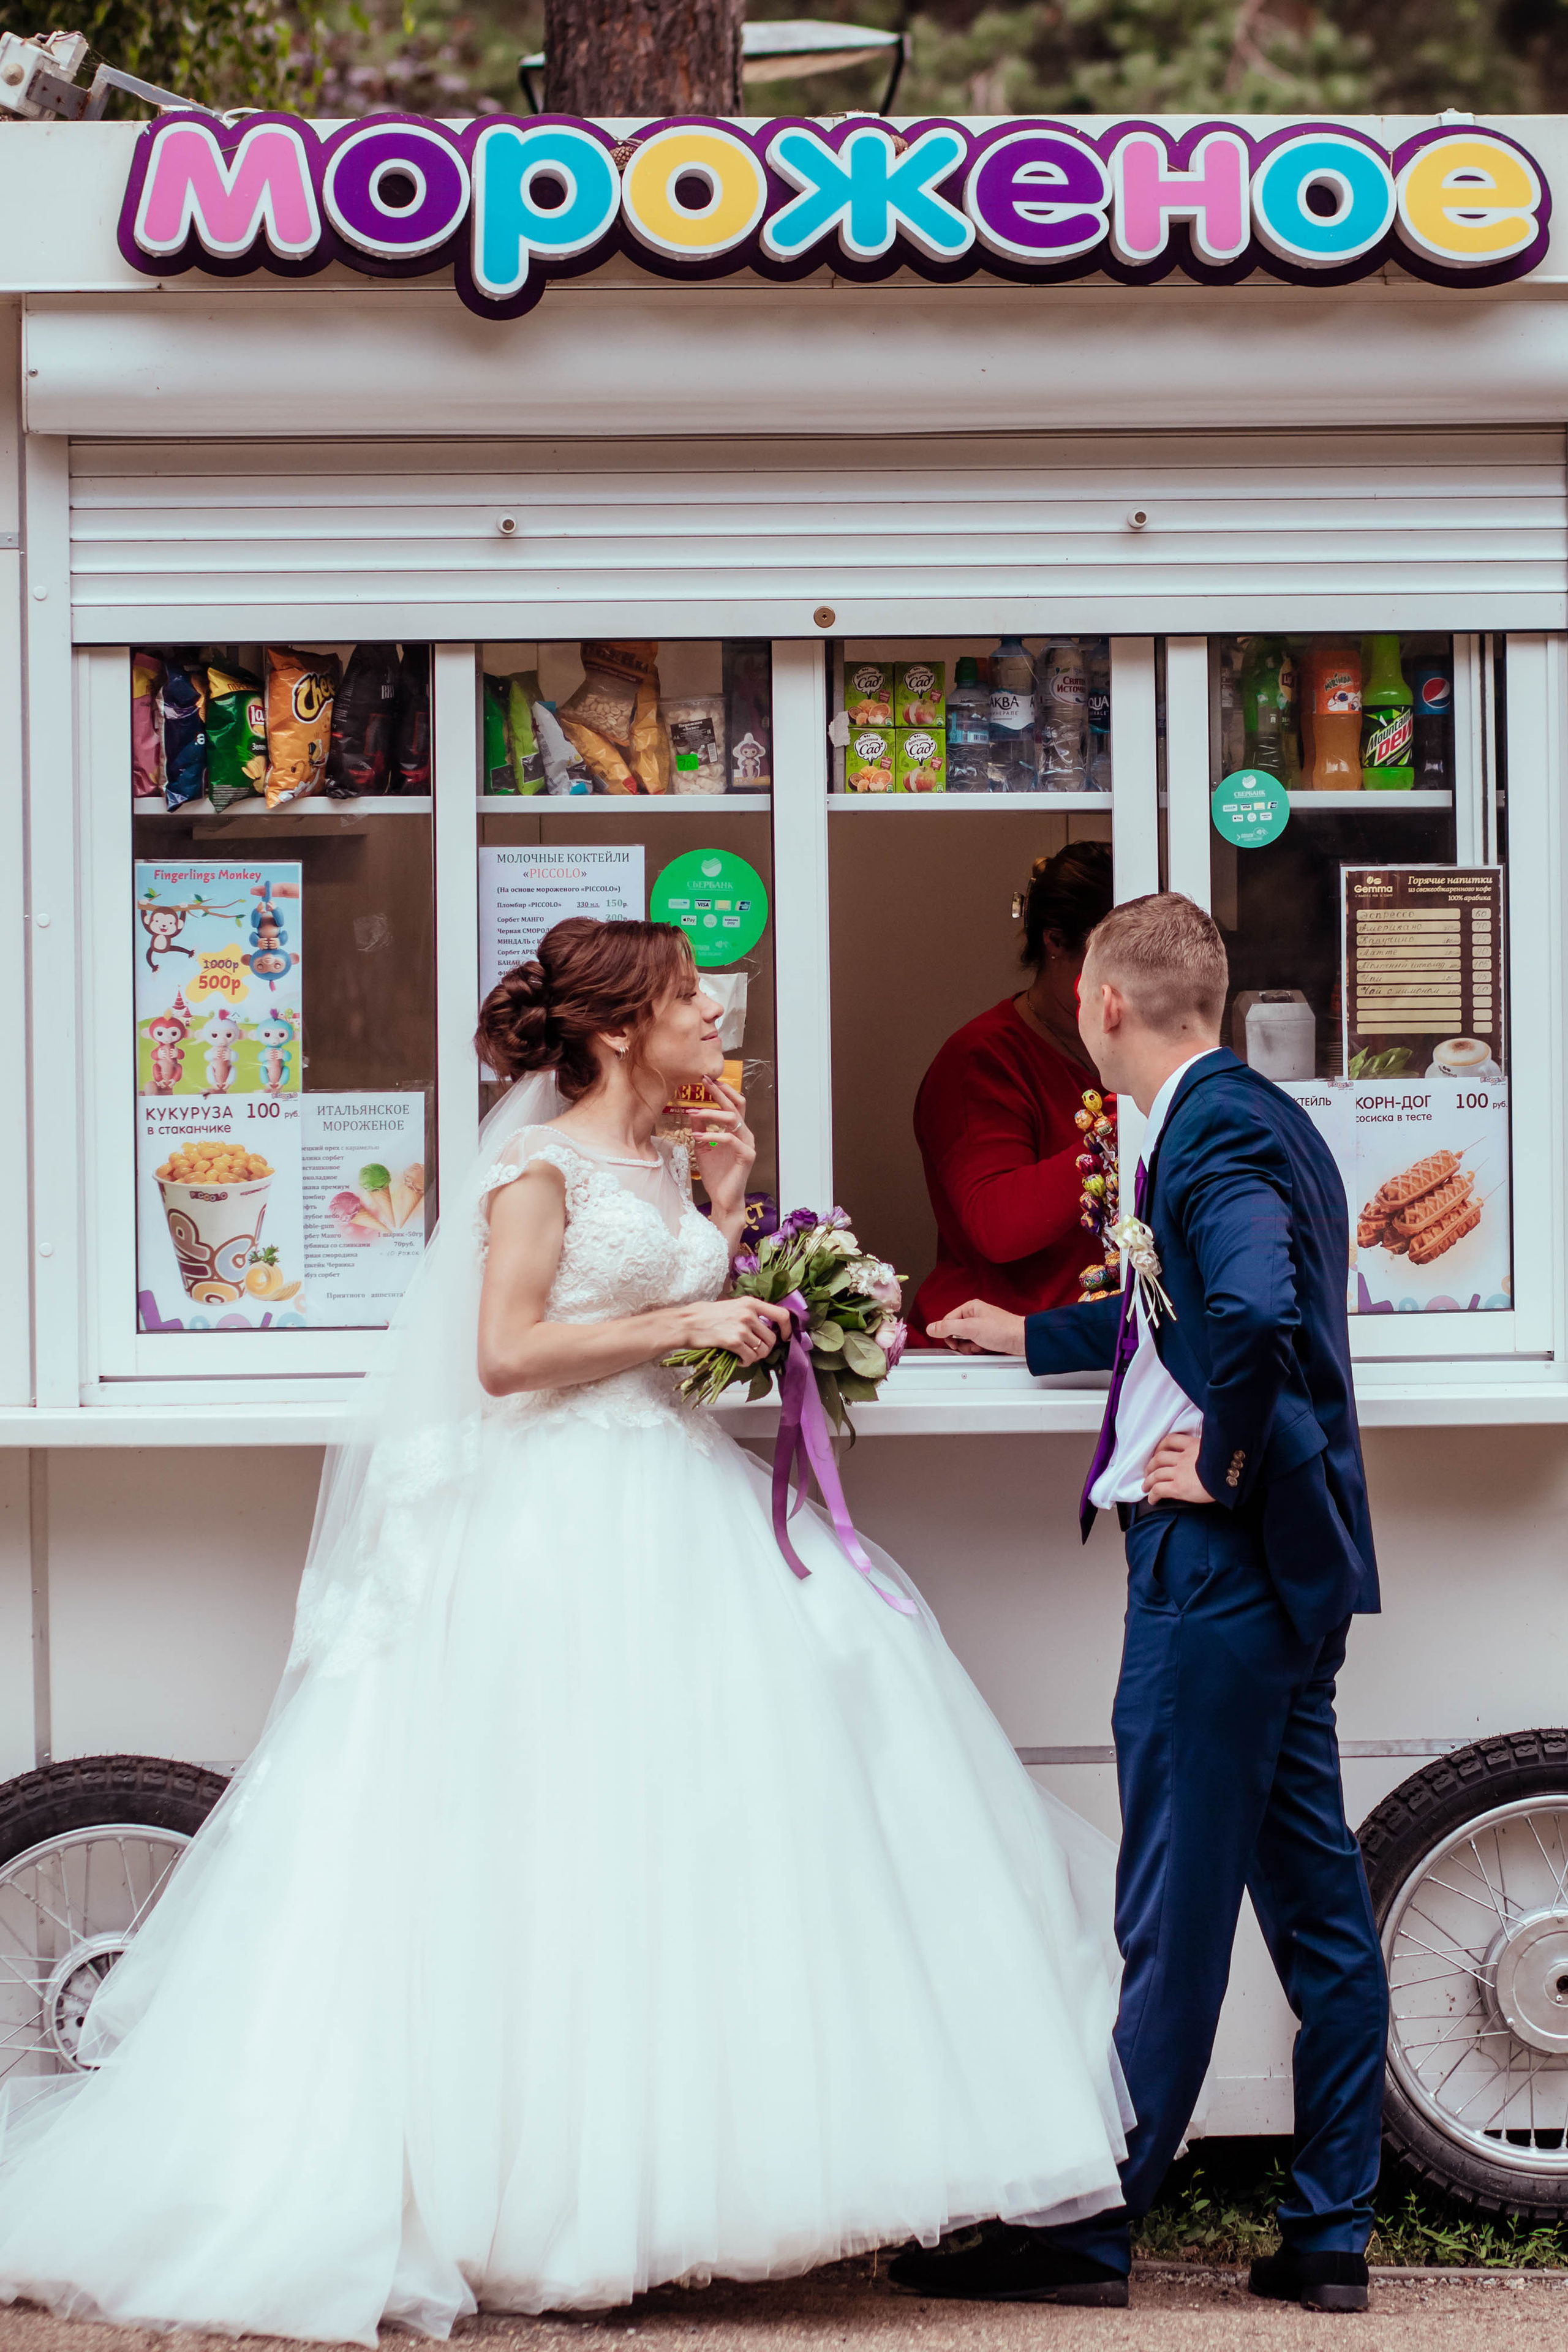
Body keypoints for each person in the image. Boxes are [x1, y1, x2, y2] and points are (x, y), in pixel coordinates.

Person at [0, 916, 1133, 2343]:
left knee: (689, 1839)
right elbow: (506, 1351)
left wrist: (719, 1201)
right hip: (551, 1525)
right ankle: (531, 2200)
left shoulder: (654, 1161)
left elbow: (667, 1294)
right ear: (614, 1031)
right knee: (555, 1850)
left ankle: (663, 2183)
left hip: (660, 1499)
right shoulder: (531, 1169)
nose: (712, 1017)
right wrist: (687, 1321)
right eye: (685, 1002)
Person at [913, 892, 1387, 2316]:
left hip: (1221, 1570)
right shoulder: (1251, 1109)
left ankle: (1089, 2227)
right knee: (1315, 1910)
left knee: (1169, 1903)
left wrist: (1223, 1464)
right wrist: (1033, 1332)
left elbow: (1247, 1313)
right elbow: (1183, 1307)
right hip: (1286, 1569)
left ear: (1101, 1005)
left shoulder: (1211, 1131)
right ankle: (1327, 2232)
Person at [911, 841, 1115, 1343]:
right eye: (1113, 961)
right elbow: (997, 1226)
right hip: (997, 1352)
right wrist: (1120, 1131)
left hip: (1100, 1337)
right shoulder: (982, 1058)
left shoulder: (1124, 1045)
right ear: (1056, 942)